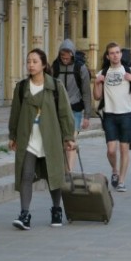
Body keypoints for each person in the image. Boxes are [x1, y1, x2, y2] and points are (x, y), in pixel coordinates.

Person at [8, 48, 76, 230]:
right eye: (28, 61)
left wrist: (69, 136)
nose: (31, 64)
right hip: (28, 138)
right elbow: (15, 113)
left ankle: (56, 210)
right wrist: (12, 135)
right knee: (26, 175)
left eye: (35, 61)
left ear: (44, 65)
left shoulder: (55, 86)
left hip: (50, 137)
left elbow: (65, 114)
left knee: (54, 175)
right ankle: (24, 215)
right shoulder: (21, 87)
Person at [94, 43, 131, 192]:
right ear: (108, 56)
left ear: (121, 55)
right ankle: (114, 170)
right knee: (111, 150)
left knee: (124, 149)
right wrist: (97, 83)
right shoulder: (102, 73)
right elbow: (97, 97)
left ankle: (121, 181)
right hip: (109, 114)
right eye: (112, 53)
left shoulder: (130, 71)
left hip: (127, 114)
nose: (115, 55)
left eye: (117, 52)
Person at [51, 39, 92, 171]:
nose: (65, 60)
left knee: (71, 141)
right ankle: (64, 169)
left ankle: (69, 172)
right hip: (58, 110)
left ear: (73, 55)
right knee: (62, 142)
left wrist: (87, 115)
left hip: (75, 109)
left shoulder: (81, 68)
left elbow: (86, 92)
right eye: (62, 57)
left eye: (67, 57)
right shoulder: (55, 67)